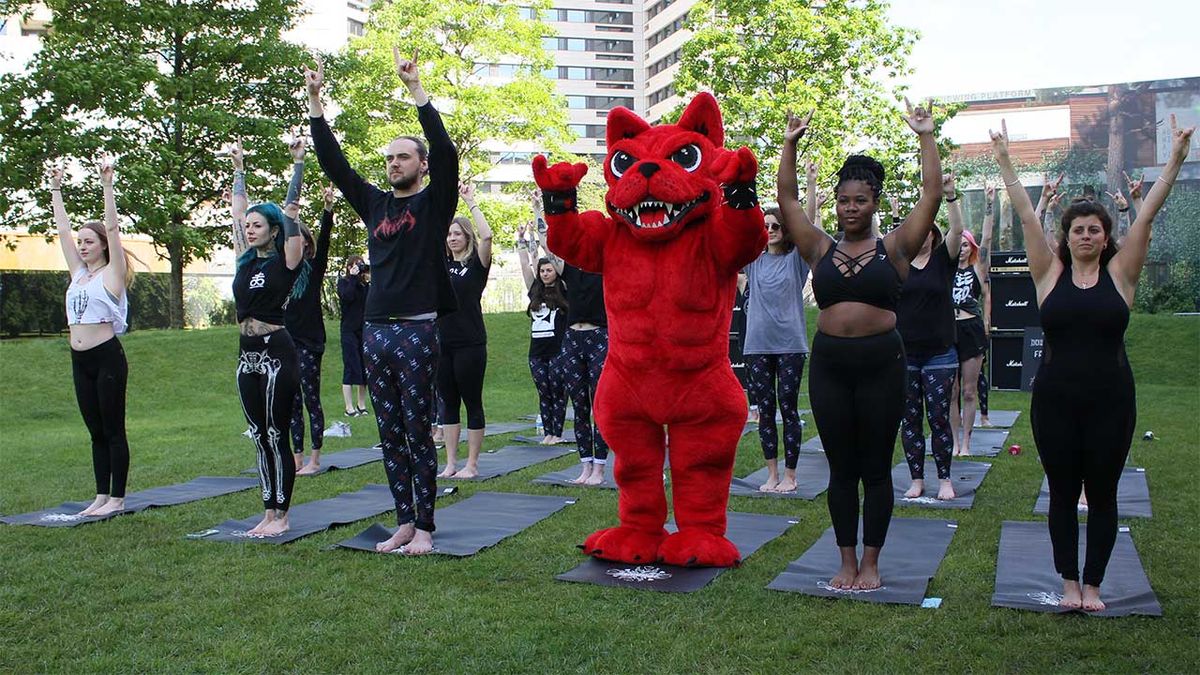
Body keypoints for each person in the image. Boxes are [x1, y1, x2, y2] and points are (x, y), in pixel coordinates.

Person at [991, 115, 1193, 612]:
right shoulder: (1048, 274)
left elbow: (1144, 219)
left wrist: (1175, 163)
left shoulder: (1122, 276)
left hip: (1111, 401)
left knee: (1102, 495)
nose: (1086, 235)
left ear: (1106, 237)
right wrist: (1004, 162)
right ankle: (1068, 583)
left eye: (1095, 229)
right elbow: (1026, 217)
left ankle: (1095, 585)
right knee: (1062, 494)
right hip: (1055, 401)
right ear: (1068, 235)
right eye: (1078, 229)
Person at [777, 100, 943, 590]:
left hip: (882, 364)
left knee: (874, 466)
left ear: (874, 202)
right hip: (830, 364)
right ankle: (845, 560)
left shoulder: (895, 248)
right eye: (844, 201)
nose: (851, 209)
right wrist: (789, 144)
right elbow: (786, 199)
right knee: (840, 468)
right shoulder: (818, 247)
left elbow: (931, 194)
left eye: (860, 201)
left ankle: (872, 563)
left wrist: (925, 136)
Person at [307, 49, 458, 555]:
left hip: (417, 329)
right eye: (389, 158)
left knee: (418, 431)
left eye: (404, 157)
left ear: (421, 165)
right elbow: (336, 164)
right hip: (375, 330)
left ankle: (428, 527)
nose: (394, 163)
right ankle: (404, 521)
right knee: (389, 433)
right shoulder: (374, 204)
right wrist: (315, 104)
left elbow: (447, 151)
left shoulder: (434, 203)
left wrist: (417, 91)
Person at [228, 139, 307, 537]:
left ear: (273, 230)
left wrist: (297, 165)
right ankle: (267, 510)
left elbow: (291, 214)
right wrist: (240, 168)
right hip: (247, 355)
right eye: (248, 226)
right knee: (259, 435)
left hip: (277, 351)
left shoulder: (287, 259)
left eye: (258, 225)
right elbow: (237, 211)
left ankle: (283, 514)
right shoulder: (245, 260)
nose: (249, 229)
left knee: (277, 432)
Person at [51, 157, 136, 518]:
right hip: (79, 359)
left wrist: (107, 186)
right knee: (95, 430)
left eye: (89, 242)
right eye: (80, 242)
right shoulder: (78, 274)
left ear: (101, 245)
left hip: (106, 357)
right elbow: (62, 231)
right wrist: (55, 189)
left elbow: (114, 230)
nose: (82, 247)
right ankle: (101, 495)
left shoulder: (112, 273)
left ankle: (117, 497)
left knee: (113, 427)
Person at [896, 171, 964, 501]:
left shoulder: (942, 261)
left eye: (927, 230)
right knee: (910, 419)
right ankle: (917, 479)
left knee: (938, 417)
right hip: (906, 353)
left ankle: (945, 478)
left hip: (940, 353)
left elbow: (957, 231)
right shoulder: (900, 263)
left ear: (933, 235)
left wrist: (949, 196)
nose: (921, 234)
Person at [533, 190, 609, 485]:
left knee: (599, 405)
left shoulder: (607, 267)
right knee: (579, 406)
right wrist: (541, 211)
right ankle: (585, 466)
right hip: (573, 341)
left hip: (599, 337)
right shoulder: (570, 268)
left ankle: (600, 467)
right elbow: (546, 244)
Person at [742, 206, 810, 493]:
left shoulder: (796, 259)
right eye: (765, 226)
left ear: (785, 230)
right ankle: (771, 474)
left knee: (788, 408)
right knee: (765, 411)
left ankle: (790, 476)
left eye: (775, 226)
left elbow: (807, 227)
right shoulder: (753, 261)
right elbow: (735, 232)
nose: (770, 231)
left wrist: (808, 186)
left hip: (790, 345)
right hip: (757, 345)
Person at [436, 182, 493, 478]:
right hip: (441, 343)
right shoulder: (440, 265)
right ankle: (450, 464)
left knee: (472, 401)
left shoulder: (476, 265)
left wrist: (470, 201)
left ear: (466, 236)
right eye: (449, 234)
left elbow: (488, 236)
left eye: (457, 233)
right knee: (447, 404)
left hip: (470, 343)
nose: (452, 237)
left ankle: (471, 464)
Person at [286, 172, 335, 476]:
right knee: (291, 403)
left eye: (304, 240)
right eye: (295, 239)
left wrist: (327, 209)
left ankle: (315, 458)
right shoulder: (283, 271)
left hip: (309, 343)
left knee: (310, 397)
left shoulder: (313, 269)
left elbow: (326, 238)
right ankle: (297, 458)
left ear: (308, 244)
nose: (300, 244)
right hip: (285, 342)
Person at [949, 185, 995, 454]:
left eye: (967, 244)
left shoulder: (978, 267)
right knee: (951, 392)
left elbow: (987, 238)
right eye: (960, 244)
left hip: (971, 328)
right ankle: (953, 442)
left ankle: (966, 443)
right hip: (948, 329)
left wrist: (989, 206)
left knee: (968, 391)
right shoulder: (944, 267)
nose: (963, 248)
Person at [518, 209, 568, 446]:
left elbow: (552, 252)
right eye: (543, 270)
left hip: (557, 351)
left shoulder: (564, 289)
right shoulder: (534, 291)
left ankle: (557, 432)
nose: (546, 273)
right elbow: (525, 268)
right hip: (536, 353)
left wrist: (540, 217)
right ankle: (547, 431)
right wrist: (521, 241)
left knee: (558, 391)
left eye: (549, 270)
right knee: (543, 392)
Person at [337, 254, 370, 417]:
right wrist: (352, 278)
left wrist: (366, 279)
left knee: (364, 368)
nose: (359, 267)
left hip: (363, 330)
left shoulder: (364, 286)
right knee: (351, 367)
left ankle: (361, 404)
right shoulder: (344, 283)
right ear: (349, 267)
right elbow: (347, 297)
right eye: (356, 265)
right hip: (348, 330)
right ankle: (348, 407)